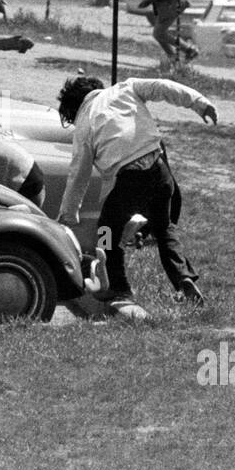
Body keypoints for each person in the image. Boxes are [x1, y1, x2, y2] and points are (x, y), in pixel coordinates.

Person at [56, 76, 218, 309]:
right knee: (164, 230)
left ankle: (119, 287)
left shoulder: (85, 122)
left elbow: (78, 175)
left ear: (73, 109)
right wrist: (199, 103)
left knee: (105, 230)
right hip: (160, 170)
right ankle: (183, 278)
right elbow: (163, 87)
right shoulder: (125, 88)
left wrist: (68, 215)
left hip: (130, 178)